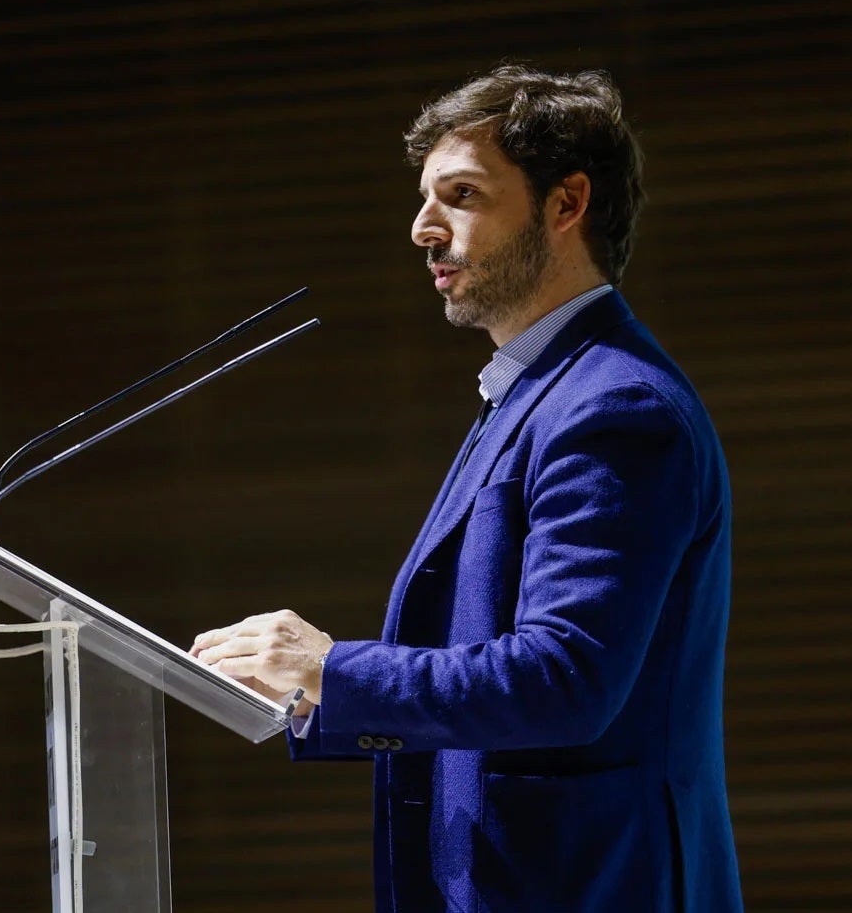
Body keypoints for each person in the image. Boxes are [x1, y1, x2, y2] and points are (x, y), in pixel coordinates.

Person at [190, 64, 744, 912]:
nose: (420, 228)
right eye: (423, 198)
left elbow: (565, 679)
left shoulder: (615, 408)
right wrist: (310, 693)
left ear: (566, 204)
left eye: (461, 195)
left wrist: (334, 669)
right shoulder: (537, 393)